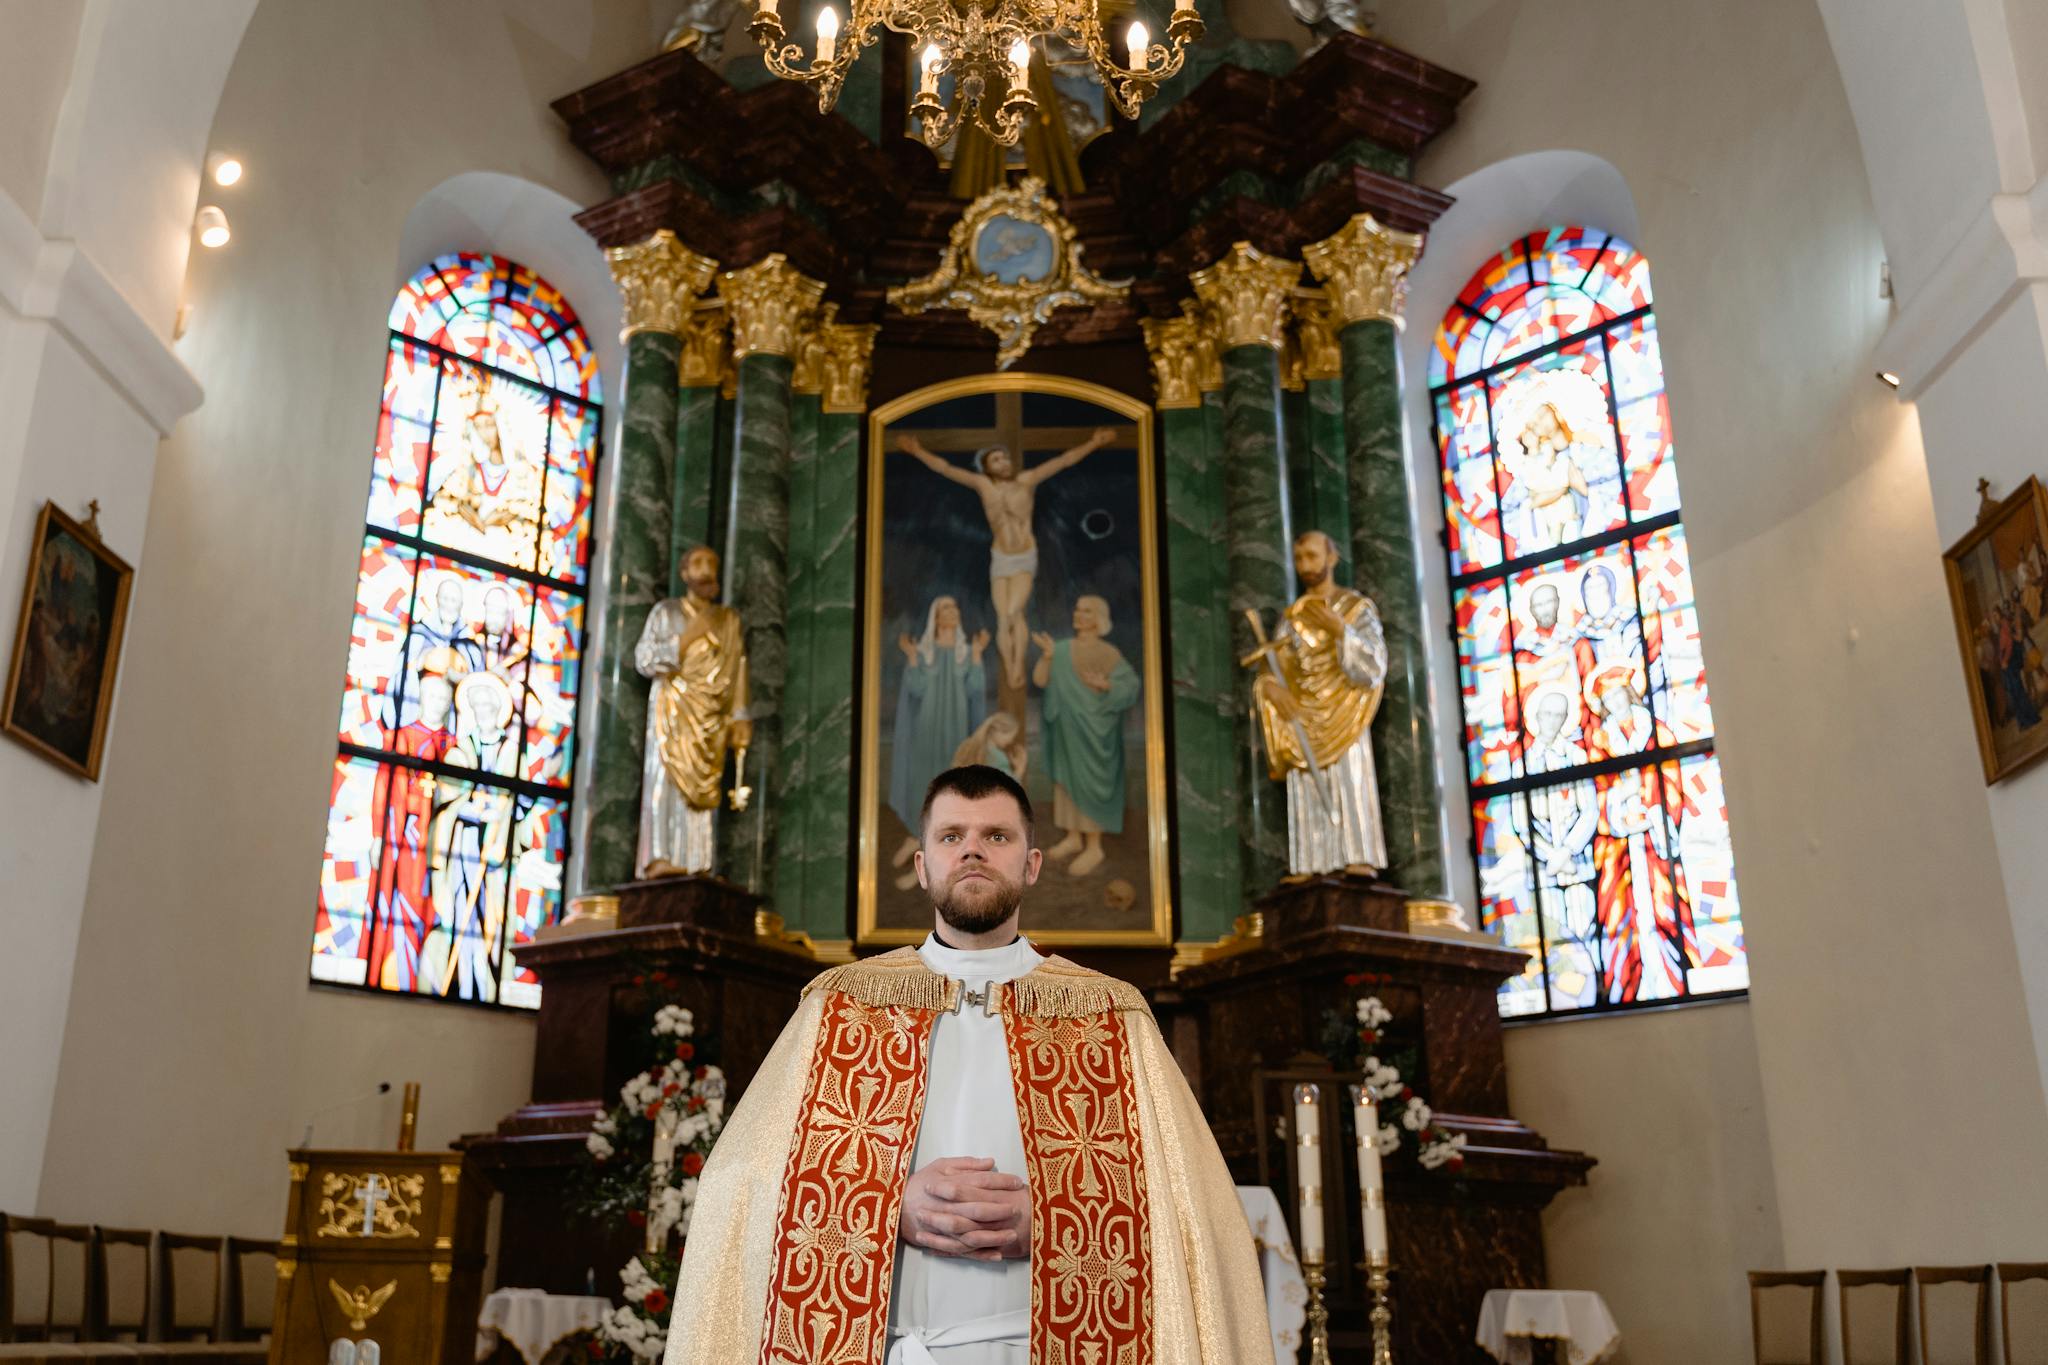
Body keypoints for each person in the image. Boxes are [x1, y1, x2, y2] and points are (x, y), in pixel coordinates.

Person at [661, 765, 1273, 1364]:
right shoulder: (841, 1005)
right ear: (922, 866)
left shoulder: (1110, 1014)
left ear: (1031, 866)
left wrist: (1061, 1220)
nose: (972, 852)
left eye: (996, 837)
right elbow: (738, 1184)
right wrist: (885, 1205)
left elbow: (1191, 1207)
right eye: (952, 837)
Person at [895, 426, 1117, 692]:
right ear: (987, 466)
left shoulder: (1027, 480)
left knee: (1014, 612)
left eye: (1006, 458)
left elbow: (1064, 461)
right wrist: (917, 450)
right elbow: (944, 468)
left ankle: (1015, 667)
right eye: (997, 459)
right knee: (1003, 618)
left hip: (1023, 556)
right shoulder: (982, 485)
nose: (1005, 462)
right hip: (1000, 557)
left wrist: (1093, 442)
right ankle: (1009, 666)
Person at [1245, 531, 1389, 878]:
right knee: (1306, 784)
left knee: (1351, 779)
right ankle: (1311, 862)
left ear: (1332, 558)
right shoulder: (1292, 617)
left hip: (1345, 712)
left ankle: (1359, 856)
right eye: (1299, 559)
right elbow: (1273, 668)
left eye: (1312, 556)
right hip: (1303, 713)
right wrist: (1270, 688)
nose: (1306, 566)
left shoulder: (1356, 608)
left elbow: (1374, 667)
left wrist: (1343, 632)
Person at [634, 546, 751, 877]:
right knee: (664, 778)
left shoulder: (728, 620)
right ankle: (659, 857)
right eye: (698, 563)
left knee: (704, 791)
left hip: (710, 718)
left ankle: (698, 862)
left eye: (712, 564)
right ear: (684, 573)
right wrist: (684, 640)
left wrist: (740, 715)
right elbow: (643, 659)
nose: (706, 570)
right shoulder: (665, 612)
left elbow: (738, 666)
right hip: (671, 710)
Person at [1032, 594, 1141, 877]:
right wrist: (1047, 657)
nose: (1079, 614)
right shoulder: (1062, 649)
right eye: (1077, 609)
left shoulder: (1108, 653)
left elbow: (1130, 685)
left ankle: (1094, 846)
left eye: (1086, 611)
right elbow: (1041, 680)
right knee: (1068, 782)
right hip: (1067, 729)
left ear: (1099, 619)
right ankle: (1073, 837)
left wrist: (1106, 685)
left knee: (1092, 784)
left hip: (1096, 733)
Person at [889, 596, 991, 880]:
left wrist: (978, 654)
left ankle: (939, 848)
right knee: (923, 781)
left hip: (956, 731)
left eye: (955, 607)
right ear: (935, 616)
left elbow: (974, 689)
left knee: (952, 785)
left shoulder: (965, 651)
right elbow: (917, 689)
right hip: (926, 730)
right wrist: (911, 656)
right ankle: (915, 835)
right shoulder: (924, 652)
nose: (952, 612)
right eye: (946, 608)